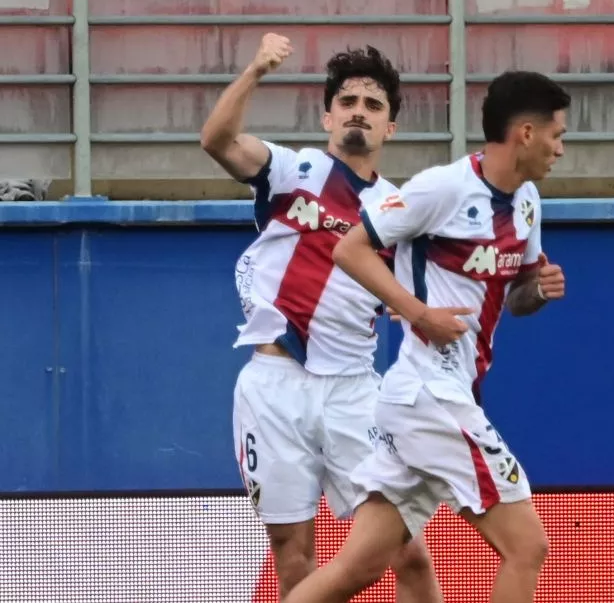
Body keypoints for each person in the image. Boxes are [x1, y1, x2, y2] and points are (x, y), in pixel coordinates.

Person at [283, 70, 570, 603]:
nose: (561, 149)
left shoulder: (527, 202)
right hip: (430, 393)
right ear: (526, 134)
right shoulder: (443, 188)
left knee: (357, 567)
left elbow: (517, 297)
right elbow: (350, 249)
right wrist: (418, 312)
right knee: (527, 546)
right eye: (558, 135)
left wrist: (539, 288)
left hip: (429, 397)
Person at [199, 33, 443, 602]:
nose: (360, 112)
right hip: (274, 385)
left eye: (374, 106)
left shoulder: (401, 213)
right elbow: (216, 139)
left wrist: (528, 283)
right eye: (349, 102)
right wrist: (257, 69)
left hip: (355, 391)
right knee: (293, 552)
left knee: (407, 549)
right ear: (328, 115)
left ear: (391, 128)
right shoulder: (292, 169)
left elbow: (432, 294)